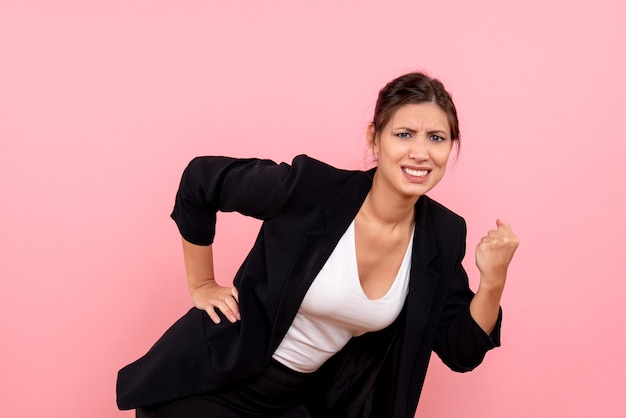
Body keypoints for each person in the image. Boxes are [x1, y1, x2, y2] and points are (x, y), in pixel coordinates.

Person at [116, 72, 519, 417]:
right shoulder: (312, 189)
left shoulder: (443, 234)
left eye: (436, 137)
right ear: (375, 140)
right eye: (404, 134)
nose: (420, 152)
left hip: (297, 403)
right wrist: (202, 283)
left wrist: (493, 281)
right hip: (211, 386)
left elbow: (460, 351)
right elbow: (201, 181)